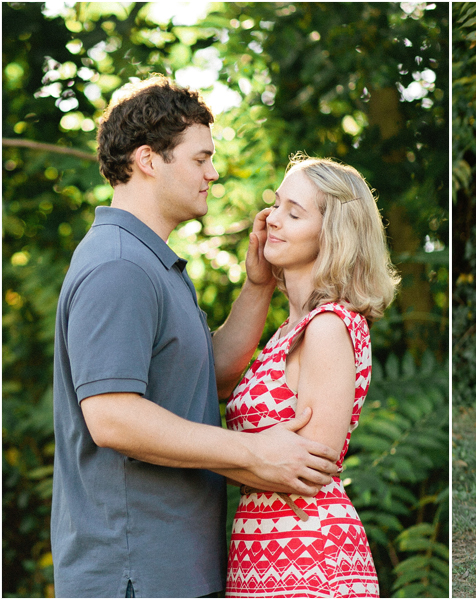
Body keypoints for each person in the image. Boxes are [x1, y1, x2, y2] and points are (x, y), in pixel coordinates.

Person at [51, 76, 341, 598]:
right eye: (200, 158)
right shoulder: (120, 266)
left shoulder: (153, 263)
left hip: (175, 567)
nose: (213, 173)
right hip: (135, 572)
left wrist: (257, 287)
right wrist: (252, 453)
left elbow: (213, 374)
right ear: (147, 159)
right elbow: (112, 415)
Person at [224, 154, 399, 598]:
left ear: (333, 234)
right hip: (265, 553)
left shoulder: (327, 326)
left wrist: (186, 452)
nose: (272, 220)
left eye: (293, 212)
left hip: (310, 556)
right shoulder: (288, 330)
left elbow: (307, 469)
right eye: (277, 204)